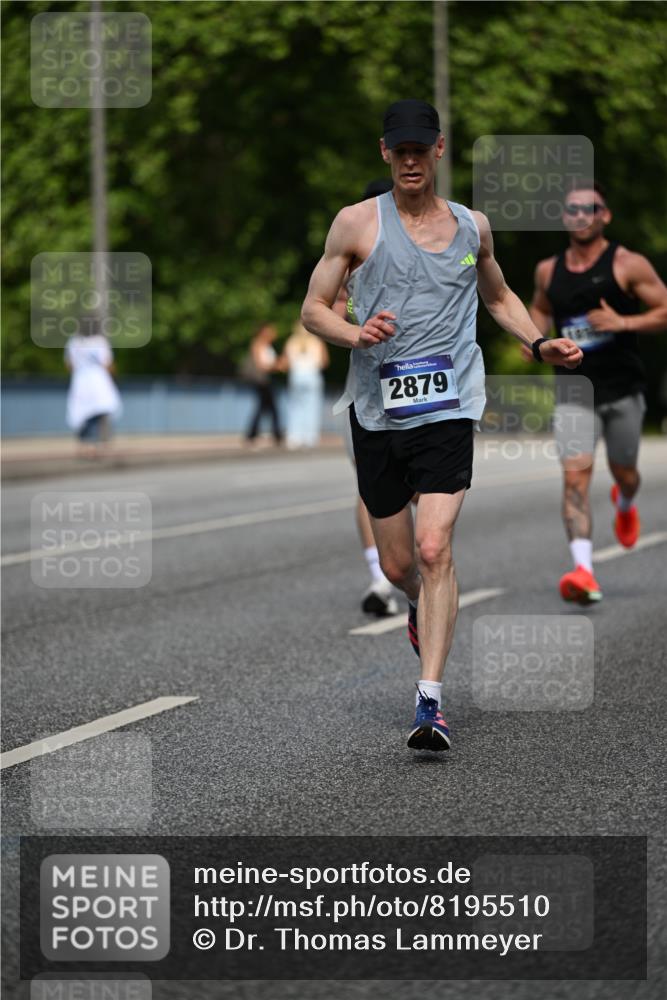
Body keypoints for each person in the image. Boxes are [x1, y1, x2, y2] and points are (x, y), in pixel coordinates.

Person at [301, 99, 582, 752]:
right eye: (398, 150)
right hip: (377, 411)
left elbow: (499, 296)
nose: (409, 160)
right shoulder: (355, 223)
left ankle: (430, 702)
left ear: (438, 149)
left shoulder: (471, 228)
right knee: (400, 563)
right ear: (384, 152)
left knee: (433, 550)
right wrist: (355, 334)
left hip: (449, 405)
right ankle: (416, 604)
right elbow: (313, 309)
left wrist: (539, 344)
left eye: (419, 149)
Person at [529, 179, 667, 604]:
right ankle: (584, 571)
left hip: (623, 388)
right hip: (574, 391)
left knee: (626, 473)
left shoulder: (627, 264)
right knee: (575, 478)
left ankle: (625, 502)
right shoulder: (548, 270)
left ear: (604, 215)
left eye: (589, 208)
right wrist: (535, 340)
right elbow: (540, 308)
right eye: (571, 209)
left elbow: (664, 310)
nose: (580, 215)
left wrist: (623, 323)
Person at [335, 179, 401, 617]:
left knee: (418, 489)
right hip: (365, 389)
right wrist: (356, 330)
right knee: (368, 483)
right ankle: (381, 578)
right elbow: (327, 308)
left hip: (422, 384)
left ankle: (415, 567)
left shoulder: (433, 245)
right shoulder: (349, 256)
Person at [65, 329, 122, 458]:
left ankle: (85, 444)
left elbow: (69, 364)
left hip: (80, 380)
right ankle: (92, 445)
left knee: (83, 413)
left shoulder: (74, 342)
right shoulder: (99, 341)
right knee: (97, 412)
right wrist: (115, 378)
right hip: (98, 381)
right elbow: (107, 363)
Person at [283, 321, 329, 449]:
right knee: (312, 407)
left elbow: (286, 363)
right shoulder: (317, 341)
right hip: (312, 375)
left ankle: (294, 437)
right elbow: (324, 362)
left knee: (295, 407)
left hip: (296, 376)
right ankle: (310, 437)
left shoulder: (291, 341)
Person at [243, 323, 284, 446]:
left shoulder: (268, 346)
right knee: (267, 408)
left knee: (267, 408)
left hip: (267, 380)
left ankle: (256, 434)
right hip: (262, 381)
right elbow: (261, 365)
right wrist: (277, 366)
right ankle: (273, 434)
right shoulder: (258, 344)